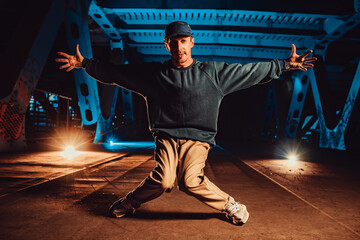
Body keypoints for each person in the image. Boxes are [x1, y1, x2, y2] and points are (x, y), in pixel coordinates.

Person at [56, 21, 317, 225]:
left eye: (183, 41)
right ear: (166, 45)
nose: (179, 47)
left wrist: (284, 65)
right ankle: (131, 202)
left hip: (198, 138)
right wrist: (85, 64)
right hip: (166, 137)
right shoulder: (154, 75)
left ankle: (229, 205)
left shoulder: (213, 74)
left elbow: (250, 72)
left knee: (190, 181)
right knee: (164, 181)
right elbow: (117, 74)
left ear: (192, 42)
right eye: (173, 42)